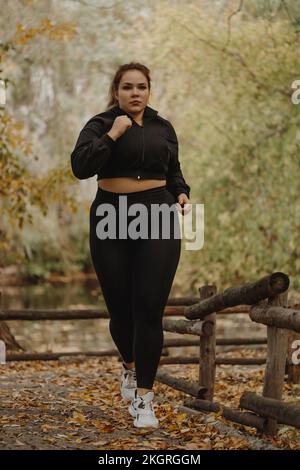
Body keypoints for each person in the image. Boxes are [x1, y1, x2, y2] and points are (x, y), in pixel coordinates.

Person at [70, 62, 191, 428]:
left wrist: (182, 192)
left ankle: (144, 398)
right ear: (116, 91)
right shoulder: (100, 124)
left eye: (141, 87)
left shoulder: (163, 127)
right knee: (120, 309)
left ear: (149, 90)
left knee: (150, 307)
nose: (135, 93)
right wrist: (113, 136)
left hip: (158, 214)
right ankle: (130, 365)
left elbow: (174, 171)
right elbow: (80, 167)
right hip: (111, 216)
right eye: (127, 87)